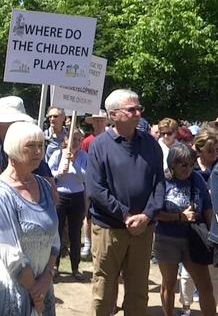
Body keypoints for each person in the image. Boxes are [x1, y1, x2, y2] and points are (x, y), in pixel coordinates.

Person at [86, 89, 165, 315]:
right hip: (109, 230)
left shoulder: (150, 144)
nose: (138, 113)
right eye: (132, 109)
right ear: (114, 114)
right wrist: (125, 214)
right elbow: (95, 189)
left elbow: (159, 184)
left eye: (139, 108)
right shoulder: (99, 145)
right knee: (104, 291)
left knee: (139, 292)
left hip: (143, 229)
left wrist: (147, 215)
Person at [0, 121, 59, 315]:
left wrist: (48, 276)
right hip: (11, 288)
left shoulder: (44, 185)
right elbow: (9, 251)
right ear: (13, 148)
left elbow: (54, 237)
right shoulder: (0, 193)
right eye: (31, 146)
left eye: (41, 145)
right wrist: (35, 292)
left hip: (42, 282)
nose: (38, 152)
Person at [154, 144, 216, 316]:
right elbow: (155, 212)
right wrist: (180, 217)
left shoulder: (197, 179)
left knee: (205, 286)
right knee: (169, 283)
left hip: (194, 239)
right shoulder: (162, 181)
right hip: (167, 238)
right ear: (172, 164)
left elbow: (208, 208)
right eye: (183, 165)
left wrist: (213, 233)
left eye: (191, 164)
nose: (188, 169)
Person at [49, 129, 88, 280]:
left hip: (77, 196)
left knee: (75, 233)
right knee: (57, 232)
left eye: (79, 139)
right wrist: (59, 173)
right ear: (66, 140)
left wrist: (74, 164)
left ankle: (75, 267)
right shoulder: (58, 155)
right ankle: (54, 265)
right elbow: (49, 173)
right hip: (60, 196)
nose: (76, 142)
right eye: (73, 139)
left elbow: (85, 176)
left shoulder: (84, 156)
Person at [80, 110, 108, 259]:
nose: (98, 122)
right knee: (88, 214)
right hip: (90, 181)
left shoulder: (112, 139)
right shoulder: (87, 141)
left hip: (107, 182)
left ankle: (99, 244)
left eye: (101, 120)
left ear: (106, 122)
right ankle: (87, 243)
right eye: (96, 120)